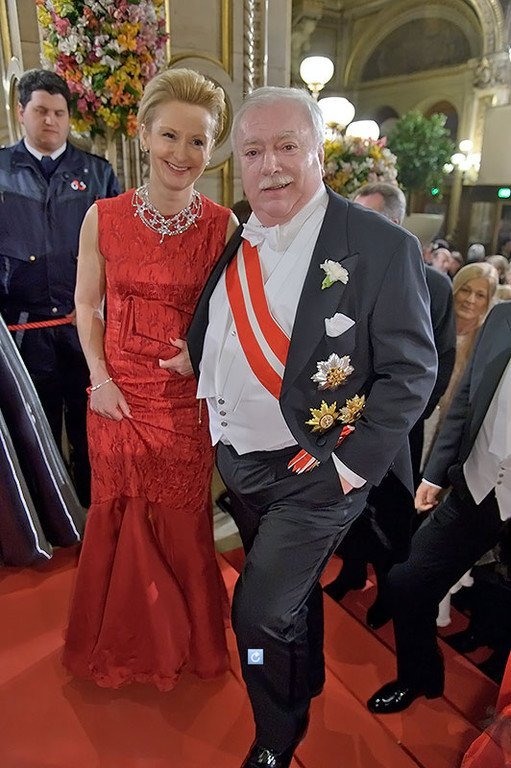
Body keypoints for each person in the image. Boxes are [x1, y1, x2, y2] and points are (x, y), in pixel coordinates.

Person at [187, 86, 437, 768]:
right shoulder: (240, 234)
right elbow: (221, 329)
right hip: (241, 465)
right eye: (252, 151)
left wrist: (349, 468)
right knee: (289, 600)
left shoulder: (379, 245)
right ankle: (307, 674)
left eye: (286, 147)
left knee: (257, 613)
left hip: (317, 472)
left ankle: (276, 733)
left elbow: (411, 371)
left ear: (318, 154)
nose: (269, 165)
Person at [62, 68, 237, 690]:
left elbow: (233, 318)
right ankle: (121, 646)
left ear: (212, 150)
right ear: (143, 134)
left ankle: (188, 644)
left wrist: (202, 355)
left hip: (184, 403)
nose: (181, 153)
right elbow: (87, 304)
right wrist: (99, 379)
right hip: (115, 396)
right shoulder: (102, 216)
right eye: (170, 136)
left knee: (183, 522)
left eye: (198, 141)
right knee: (116, 517)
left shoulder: (223, 226)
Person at [367, 301, 511, 715]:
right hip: (475, 488)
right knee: (407, 582)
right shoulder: (501, 317)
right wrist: (434, 474)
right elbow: (465, 399)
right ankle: (420, 676)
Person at [324, 182, 455, 628]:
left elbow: (438, 360)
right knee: (350, 510)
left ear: (396, 224)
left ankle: (386, 592)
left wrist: (405, 417)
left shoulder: (434, 284)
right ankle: (351, 571)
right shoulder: (345, 271)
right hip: (344, 419)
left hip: (397, 427)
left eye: (370, 219)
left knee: (391, 515)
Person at [0, 69, 120, 507]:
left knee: (92, 425)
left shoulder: (97, 173)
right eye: (40, 111)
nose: (50, 120)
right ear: (21, 112)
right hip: (22, 330)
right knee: (36, 427)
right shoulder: (2, 170)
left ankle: (94, 507)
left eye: (59, 112)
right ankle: (51, 516)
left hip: (83, 326)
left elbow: (118, 251)